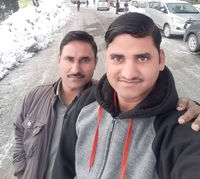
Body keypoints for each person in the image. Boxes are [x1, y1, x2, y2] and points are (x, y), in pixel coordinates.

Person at [53, 13, 200, 179]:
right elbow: (63, 168)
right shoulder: (87, 102)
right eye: (118, 58)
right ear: (106, 61)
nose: (129, 74)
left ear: (160, 60)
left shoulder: (182, 127)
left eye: (142, 58)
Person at [12, 31, 98, 179]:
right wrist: (22, 170)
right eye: (69, 59)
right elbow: (20, 132)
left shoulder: (105, 106)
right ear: (59, 59)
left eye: (84, 60)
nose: (76, 69)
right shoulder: (35, 97)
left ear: (95, 62)